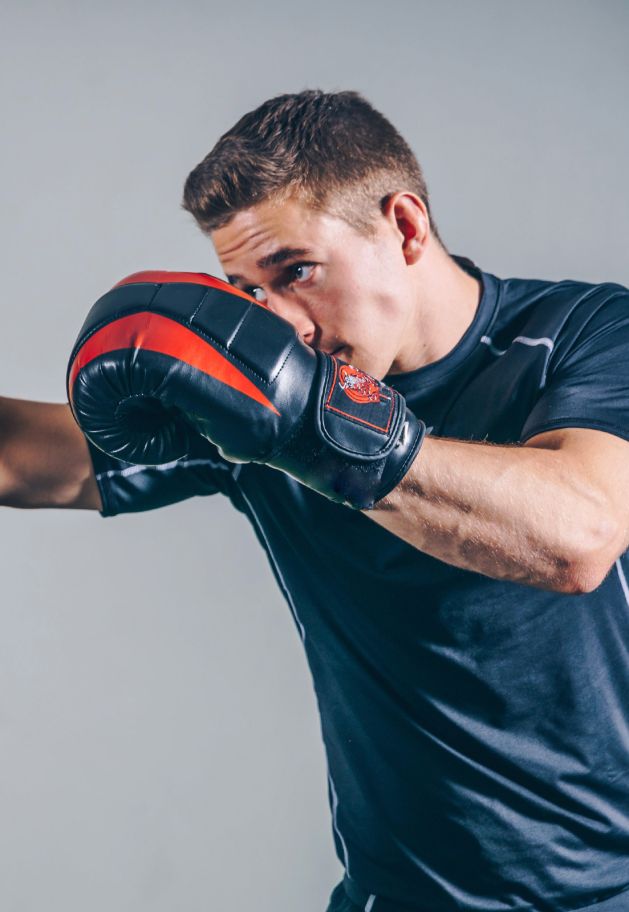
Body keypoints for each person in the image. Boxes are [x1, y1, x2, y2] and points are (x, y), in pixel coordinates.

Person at [2, 89, 629, 912]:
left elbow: (576, 535)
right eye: (246, 290)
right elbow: (23, 462)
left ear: (403, 225)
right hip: (394, 895)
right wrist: (278, 415)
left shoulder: (583, 333)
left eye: (296, 271)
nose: (283, 322)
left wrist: (315, 423)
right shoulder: (255, 408)